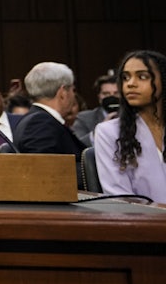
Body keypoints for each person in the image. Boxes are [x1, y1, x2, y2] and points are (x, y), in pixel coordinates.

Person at [94, 50, 166, 202]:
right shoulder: (108, 132)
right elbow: (120, 198)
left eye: (142, 77)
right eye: (125, 78)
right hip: (144, 222)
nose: (131, 84)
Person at [13, 61, 85, 186]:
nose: (74, 95)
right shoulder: (40, 123)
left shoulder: (37, 120)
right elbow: (45, 175)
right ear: (63, 92)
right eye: (73, 90)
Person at [73, 71, 119, 147]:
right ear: (99, 97)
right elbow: (78, 146)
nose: (111, 97)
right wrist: (100, 130)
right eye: (106, 94)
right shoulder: (84, 118)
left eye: (116, 93)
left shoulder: (134, 116)